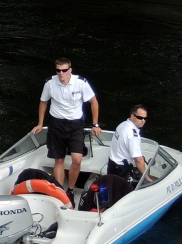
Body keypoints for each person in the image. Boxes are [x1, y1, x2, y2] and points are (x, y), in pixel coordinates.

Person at [32, 57, 102, 208]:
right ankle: (59, 191)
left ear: (70, 70)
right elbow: (43, 102)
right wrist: (40, 123)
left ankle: (70, 189)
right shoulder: (50, 83)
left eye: (64, 70)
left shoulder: (81, 83)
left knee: (77, 159)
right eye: (58, 70)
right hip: (56, 124)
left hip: (75, 125)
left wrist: (95, 124)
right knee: (59, 160)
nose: (61, 73)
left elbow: (93, 101)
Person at [107, 104, 151, 182]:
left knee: (112, 189)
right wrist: (146, 178)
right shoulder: (132, 135)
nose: (143, 120)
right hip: (121, 170)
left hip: (112, 165)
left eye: (145, 118)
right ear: (132, 116)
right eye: (140, 118)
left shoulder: (122, 124)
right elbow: (138, 160)